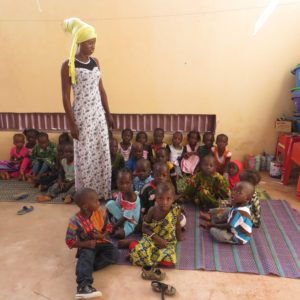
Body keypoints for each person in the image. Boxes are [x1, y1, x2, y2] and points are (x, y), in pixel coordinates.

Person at [61, 17, 113, 199]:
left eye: (94, 43)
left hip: (98, 114)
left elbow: (101, 89)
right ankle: (86, 195)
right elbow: (65, 98)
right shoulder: (68, 65)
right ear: (79, 43)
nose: (93, 46)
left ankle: (102, 192)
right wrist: (72, 124)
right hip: (81, 116)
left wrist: (109, 114)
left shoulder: (95, 62)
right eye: (90, 43)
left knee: (101, 152)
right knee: (86, 155)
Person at [65, 188, 118, 299]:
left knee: (114, 253)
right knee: (87, 254)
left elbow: (109, 226)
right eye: (96, 201)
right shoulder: (74, 220)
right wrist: (86, 244)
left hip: (101, 242)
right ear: (85, 206)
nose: (99, 203)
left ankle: (84, 267)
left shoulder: (99, 212)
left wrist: (103, 235)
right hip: (87, 246)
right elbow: (69, 241)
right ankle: (83, 287)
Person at [129, 182, 182, 275]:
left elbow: (177, 226)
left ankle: (148, 255)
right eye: (160, 198)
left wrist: (180, 238)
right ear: (156, 198)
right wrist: (157, 238)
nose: (164, 202)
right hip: (151, 239)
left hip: (167, 242)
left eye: (168, 199)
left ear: (173, 199)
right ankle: (133, 244)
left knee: (169, 261)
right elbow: (144, 228)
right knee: (140, 253)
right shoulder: (152, 210)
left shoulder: (176, 210)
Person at [105, 169, 141, 239]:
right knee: (110, 204)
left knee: (119, 234)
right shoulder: (121, 193)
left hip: (130, 221)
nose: (124, 186)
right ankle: (111, 222)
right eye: (121, 183)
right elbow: (117, 205)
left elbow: (126, 217)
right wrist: (113, 224)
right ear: (117, 183)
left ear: (131, 183)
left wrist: (114, 227)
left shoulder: (132, 197)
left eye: (127, 183)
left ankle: (118, 226)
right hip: (122, 214)